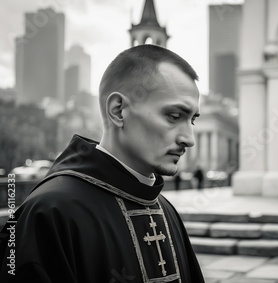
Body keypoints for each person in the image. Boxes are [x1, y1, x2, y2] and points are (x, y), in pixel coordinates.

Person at [0, 45, 204, 282]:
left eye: (193, 120)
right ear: (118, 110)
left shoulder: (165, 210)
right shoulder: (48, 213)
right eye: (174, 116)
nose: (189, 139)